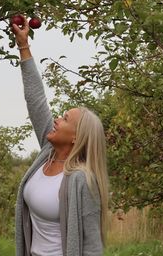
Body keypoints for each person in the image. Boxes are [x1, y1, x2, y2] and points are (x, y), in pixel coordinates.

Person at [11, 16, 110, 256]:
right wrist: (23, 46)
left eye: (65, 119)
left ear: (77, 138)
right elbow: (36, 101)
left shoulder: (82, 180)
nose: (56, 119)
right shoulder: (47, 153)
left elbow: (91, 244)